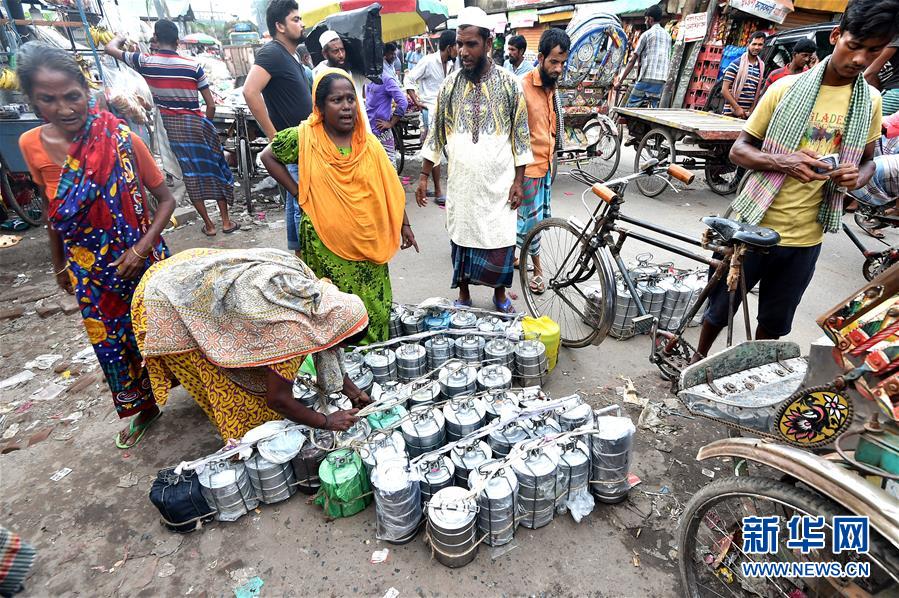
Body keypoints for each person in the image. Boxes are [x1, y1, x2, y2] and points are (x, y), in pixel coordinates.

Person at [694, 0, 890, 361]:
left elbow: (868, 163)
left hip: (805, 238)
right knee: (720, 306)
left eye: (873, 51)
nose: (860, 59)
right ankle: (696, 358)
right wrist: (783, 161)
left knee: (775, 320)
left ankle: (753, 371)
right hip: (751, 227)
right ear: (835, 36)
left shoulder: (871, 101)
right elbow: (739, 151)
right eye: (854, 46)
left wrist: (854, 177)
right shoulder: (784, 89)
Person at [16, 42, 176, 448]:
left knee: (164, 329)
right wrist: (59, 267)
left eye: (72, 96)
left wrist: (141, 248)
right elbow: (55, 212)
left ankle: (198, 387)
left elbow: (166, 200)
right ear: (33, 101)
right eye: (48, 99)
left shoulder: (119, 137)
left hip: (140, 257)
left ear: (87, 92)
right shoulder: (30, 145)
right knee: (111, 341)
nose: (65, 108)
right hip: (88, 266)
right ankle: (144, 407)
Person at [132, 248, 371, 439]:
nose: (336, 349)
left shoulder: (319, 294)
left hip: (191, 267)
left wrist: (353, 391)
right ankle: (237, 436)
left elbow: (330, 343)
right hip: (168, 297)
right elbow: (278, 400)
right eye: (339, 345)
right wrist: (327, 421)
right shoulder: (288, 333)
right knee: (224, 383)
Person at [260, 69, 419, 344]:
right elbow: (268, 156)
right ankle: (342, 374)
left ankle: (376, 362)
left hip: (369, 242)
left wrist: (405, 225)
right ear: (320, 106)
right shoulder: (304, 137)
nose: (347, 107)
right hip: (325, 245)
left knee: (376, 308)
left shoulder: (367, 143)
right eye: (337, 100)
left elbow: (389, 186)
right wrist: (299, 192)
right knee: (335, 312)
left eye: (350, 99)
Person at [416, 7, 533, 313]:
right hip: (463, 185)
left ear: (488, 43)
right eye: (460, 44)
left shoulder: (510, 85)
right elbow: (435, 134)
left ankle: (499, 294)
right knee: (462, 240)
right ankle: (464, 294)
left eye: (471, 44)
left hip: (499, 185)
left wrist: (519, 181)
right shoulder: (450, 85)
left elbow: (521, 137)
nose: (463, 52)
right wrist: (424, 176)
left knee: (500, 242)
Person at [105, 20, 237, 237]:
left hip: (173, 127)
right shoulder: (193, 66)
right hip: (197, 123)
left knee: (190, 174)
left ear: (155, 38)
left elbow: (110, 49)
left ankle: (210, 225)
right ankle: (225, 222)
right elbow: (211, 105)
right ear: (177, 41)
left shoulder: (145, 62)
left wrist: (120, 38)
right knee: (214, 169)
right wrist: (206, 124)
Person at [243, 0, 312, 257]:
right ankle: (305, 267)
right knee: (302, 206)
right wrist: (275, 137)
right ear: (279, 26)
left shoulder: (290, 56)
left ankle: (301, 264)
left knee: (297, 204)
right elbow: (250, 92)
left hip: (302, 144)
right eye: (295, 19)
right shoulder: (272, 52)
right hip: (292, 146)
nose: (301, 23)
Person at [517, 28, 569, 295]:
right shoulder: (522, 86)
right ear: (540, 58)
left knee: (532, 222)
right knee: (533, 225)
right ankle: (537, 270)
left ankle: (521, 256)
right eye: (554, 62)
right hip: (527, 170)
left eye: (562, 63)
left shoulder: (552, 87)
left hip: (546, 166)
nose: (559, 68)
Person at [406, 29, 457, 205]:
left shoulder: (452, 65)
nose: (459, 50)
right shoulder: (428, 61)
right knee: (433, 150)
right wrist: (417, 101)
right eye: (457, 46)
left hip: (446, 112)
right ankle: (437, 189)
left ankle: (434, 185)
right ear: (449, 47)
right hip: (430, 112)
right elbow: (409, 79)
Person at [313, 30, 371, 130]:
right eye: (335, 51)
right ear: (325, 54)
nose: (341, 55)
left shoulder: (353, 72)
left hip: (363, 131)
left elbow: (372, 72)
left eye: (342, 50)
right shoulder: (319, 76)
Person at [616, 4, 671, 108]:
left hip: (647, 79)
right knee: (652, 108)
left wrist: (620, 81)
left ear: (650, 19)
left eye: (646, 19)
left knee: (629, 107)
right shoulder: (667, 36)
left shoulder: (646, 35)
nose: (645, 22)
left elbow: (632, 60)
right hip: (661, 81)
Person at [366, 43, 408, 167]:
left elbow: (403, 102)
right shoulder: (369, 77)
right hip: (369, 130)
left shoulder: (387, 78)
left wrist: (390, 123)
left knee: (390, 169)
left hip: (381, 132)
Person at [721, 31, 767, 118]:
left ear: (763, 46)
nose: (756, 47)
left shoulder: (761, 66)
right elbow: (724, 90)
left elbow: (756, 91)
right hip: (731, 113)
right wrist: (737, 108)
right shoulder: (736, 64)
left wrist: (751, 110)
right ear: (748, 44)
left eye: (760, 45)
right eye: (754, 44)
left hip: (746, 115)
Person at [864, 35, 899, 115]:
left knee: (868, 120)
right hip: (887, 89)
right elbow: (874, 82)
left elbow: (870, 73)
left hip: (896, 90)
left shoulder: (894, 37)